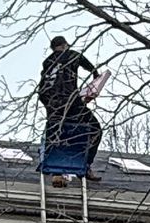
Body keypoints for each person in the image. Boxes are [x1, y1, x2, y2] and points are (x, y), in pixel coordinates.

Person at [39, 36, 103, 177]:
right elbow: (93, 70)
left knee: (57, 136)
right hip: (71, 103)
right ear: (65, 45)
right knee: (95, 130)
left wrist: (50, 108)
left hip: (53, 107)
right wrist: (93, 86)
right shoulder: (72, 55)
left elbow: (42, 91)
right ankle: (86, 167)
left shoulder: (47, 63)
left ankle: (56, 173)